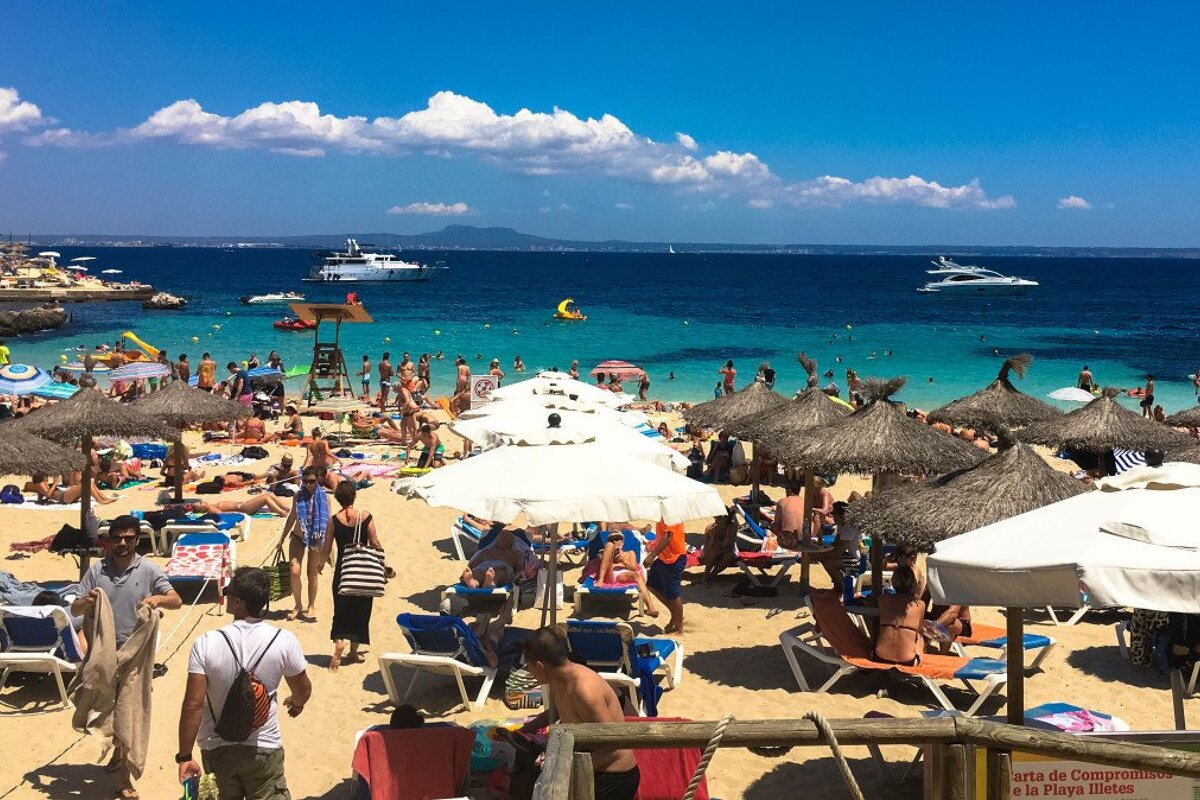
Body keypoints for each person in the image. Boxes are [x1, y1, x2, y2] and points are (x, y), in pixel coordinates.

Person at [177, 567, 311, 800]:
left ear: (238, 602)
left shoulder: (206, 643)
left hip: (217, 748)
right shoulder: (283, 641)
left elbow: (193, 706)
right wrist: (296, 703)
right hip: (263, 748)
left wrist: (185, 756)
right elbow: (303, 690)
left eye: (228, 593)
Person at [73, 515, 182, 798]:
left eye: (129, 538)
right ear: (110, 540)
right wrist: (88, 601)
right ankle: (118, 753)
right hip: (103, 654)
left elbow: (176, 600)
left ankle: (124, 776)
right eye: (117, 538)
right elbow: (75, 609)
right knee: (106, 707)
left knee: (129, 710)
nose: (122, 543)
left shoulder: (149, 569)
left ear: (136, 540)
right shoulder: (97, 571)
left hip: (135, 656)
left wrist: (157, 599)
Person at [521, 628, 640, 799]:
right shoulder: (558, 678)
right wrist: (524, 730)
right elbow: (557, 711)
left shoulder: (584, 690)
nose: (528, 671)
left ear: (540, 665)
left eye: (528, 665)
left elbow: (611, 745)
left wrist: (562, 766)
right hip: (588, 766)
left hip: (613, 776)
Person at [321, 480, 382, 670]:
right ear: (354, 496)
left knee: (341, 610)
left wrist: (320, 564)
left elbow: (327, 547)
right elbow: (375, 542)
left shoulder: (333, 520)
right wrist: (382, 563)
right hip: (362, 570)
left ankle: (339, 643)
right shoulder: (365, 516)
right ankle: (354, 651)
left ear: (338, 499)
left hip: (343, 571)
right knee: (361, 610)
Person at [275, 467, 330, 622]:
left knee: (312, 573)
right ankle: (298, 605)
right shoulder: (298, 496)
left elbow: (328, 523)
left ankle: (311, 605)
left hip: (316, 539)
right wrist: (282, 538)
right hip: (298, 536)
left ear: (318, 480)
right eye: (305, 481)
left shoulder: (325, 498)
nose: (308, 485)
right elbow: (292, 517)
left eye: (311, 481)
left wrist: (327, 547)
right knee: (294, 571)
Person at [873, 565, 926, 666]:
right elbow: (920, 630)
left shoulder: (883, 599)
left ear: (893, 583)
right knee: (919, 636)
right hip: (907, 660)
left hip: (880, 657)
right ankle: (920, 659)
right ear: (913, 584)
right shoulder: (919, 605)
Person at [645, 520, 687, 633]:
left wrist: (652, 555)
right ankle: (675, 615)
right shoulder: (662, 516)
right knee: (652, 585)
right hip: (663, 558)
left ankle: (679, 628)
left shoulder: (672, 516)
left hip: (674, 558)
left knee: (673, 594)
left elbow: (667, 537)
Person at [459, 527, 527, 588]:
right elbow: (474, 563)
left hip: (503, 568)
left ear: (513, 542)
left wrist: (515, 576)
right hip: (484, 567)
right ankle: (473, 583)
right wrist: (468, 571)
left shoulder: (515, 554)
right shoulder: (488, 551)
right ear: (496, 540)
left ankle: (490, 583)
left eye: (508, 539)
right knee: (478, 572)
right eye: (502, 538)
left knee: (498, 573)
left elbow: (520, 568)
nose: (504, 540)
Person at [771, 483, 806, 549]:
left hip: (789, 540)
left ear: (789, 490)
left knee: (773, 525)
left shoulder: (782, 501)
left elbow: (777, 523)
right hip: (805, 538)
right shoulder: (805, 501)